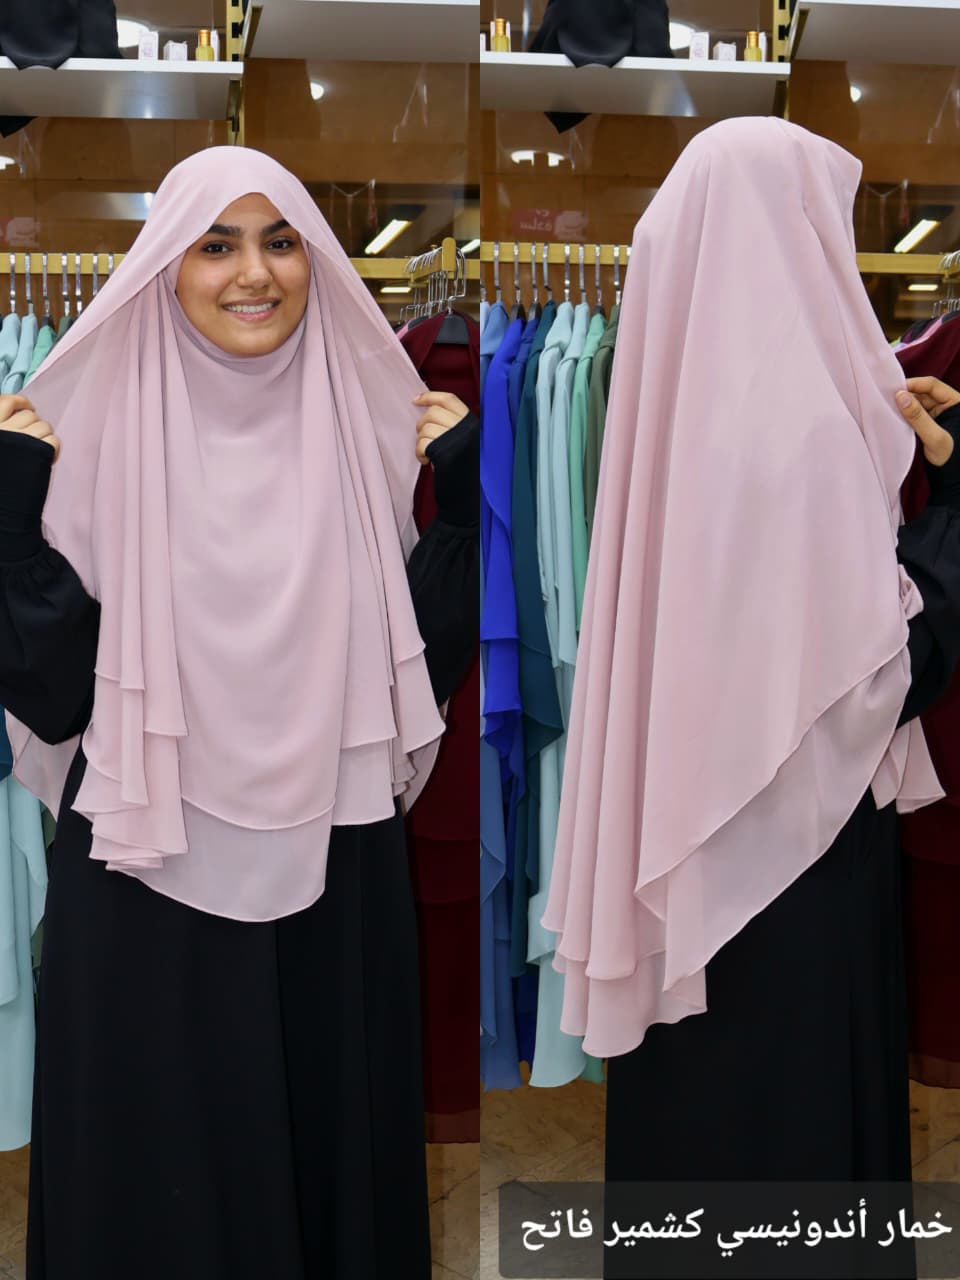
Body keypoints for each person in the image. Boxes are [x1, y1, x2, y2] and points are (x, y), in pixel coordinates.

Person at [0, 147, 478, 1280]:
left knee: (326, 1148)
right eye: (216, 245)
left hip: (335, 867)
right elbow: (55, 695)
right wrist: (11, 527)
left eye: (280, 242)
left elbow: (417, 681)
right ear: (164, 267)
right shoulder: (79, 440)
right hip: (145, 868)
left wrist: (458, 512)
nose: (254, 273)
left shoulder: (368, 434)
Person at [538, 117, 960, 1278]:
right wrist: (952, 516)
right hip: (799, 868)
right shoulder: (807, 427)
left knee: (697, 1120)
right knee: (800, 1132)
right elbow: (883, 672)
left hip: (689, 846)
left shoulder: (672, 415)